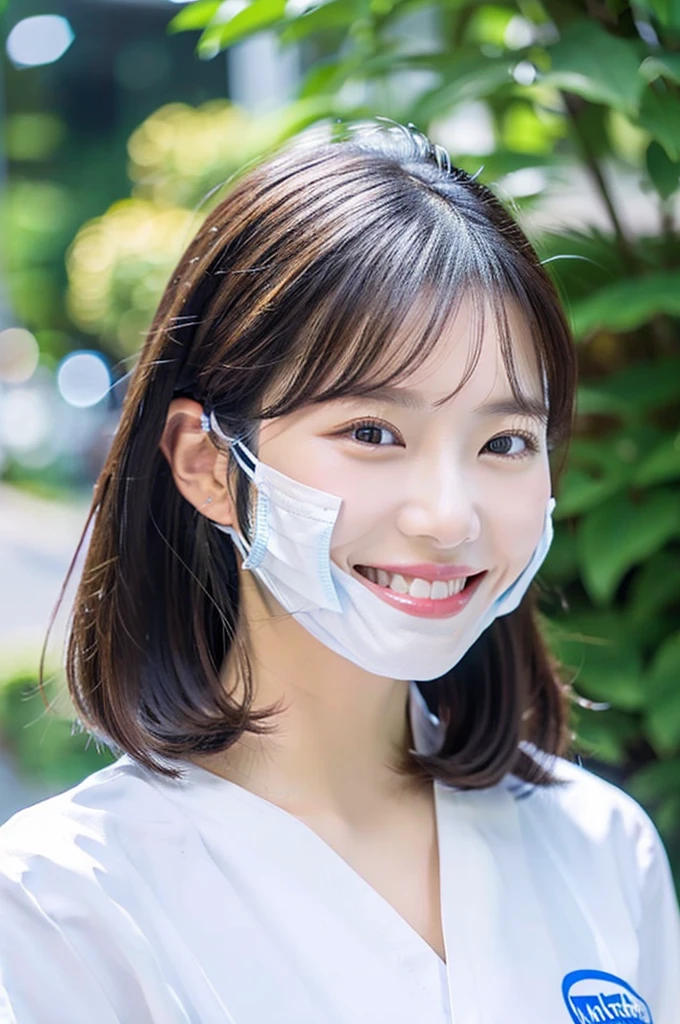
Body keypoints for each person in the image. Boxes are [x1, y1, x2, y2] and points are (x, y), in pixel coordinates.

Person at [0, 121, 678, 1024]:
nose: (448, 514)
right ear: (208, 465)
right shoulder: (62, 908)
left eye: (505, 441)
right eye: (372, 433)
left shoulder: (599, 846)